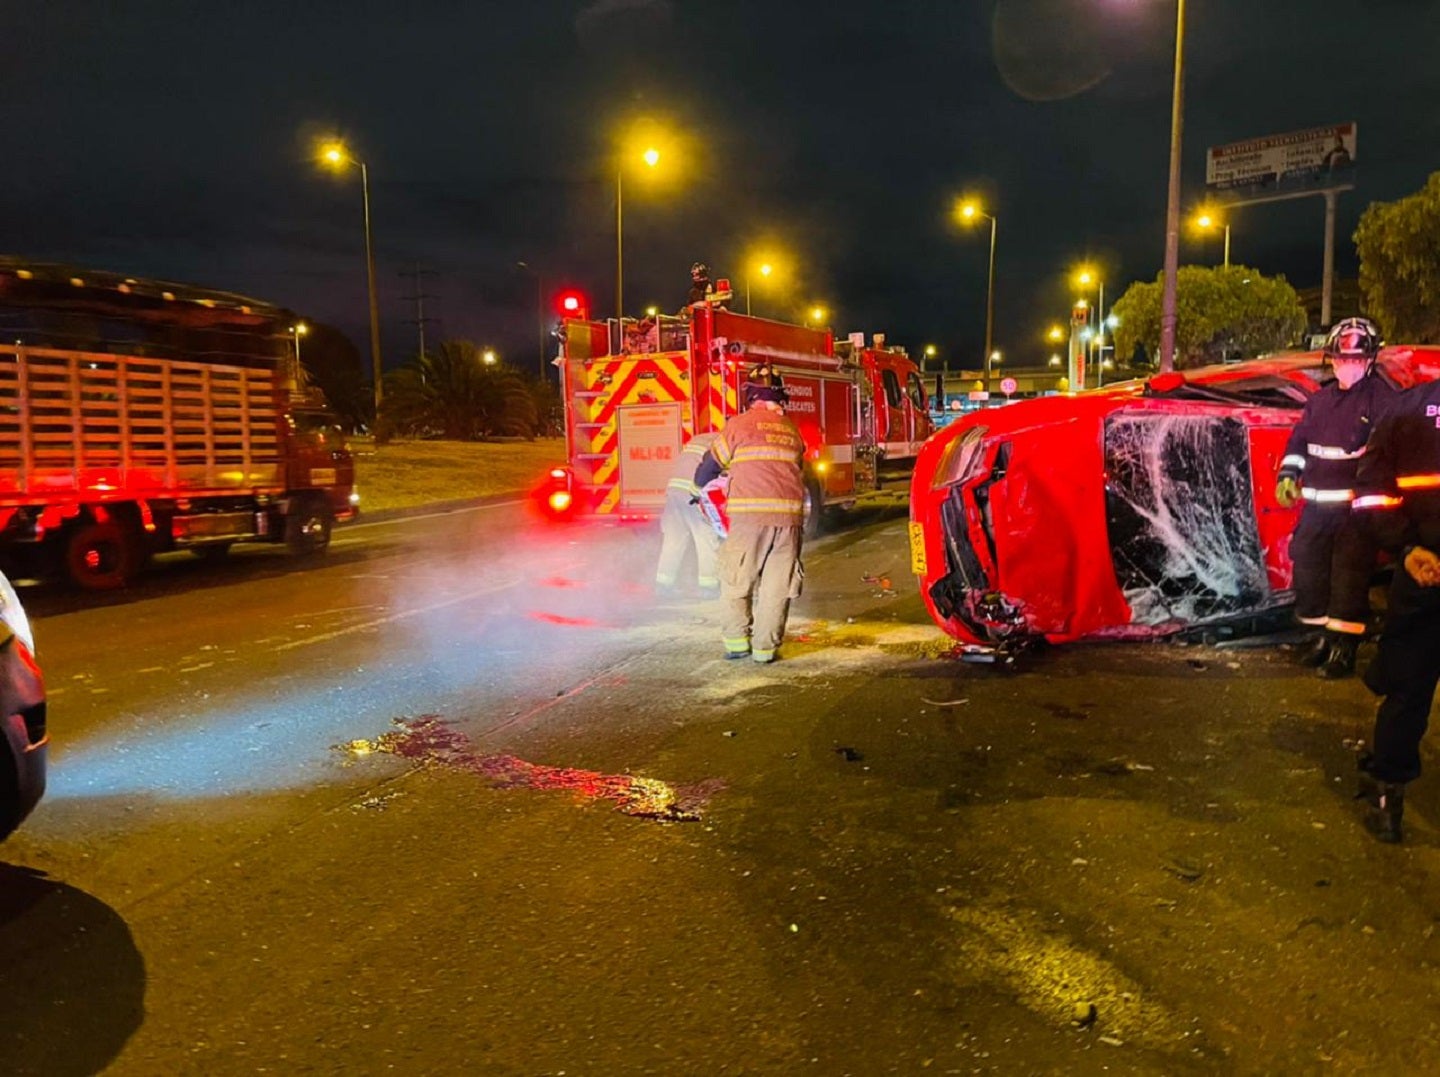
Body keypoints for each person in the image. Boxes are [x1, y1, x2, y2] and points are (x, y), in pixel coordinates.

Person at [1274, 317, 1398, 678]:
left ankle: (1343, 649)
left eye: (1356, 359)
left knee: (1348, 580)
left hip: (1354, 513)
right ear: (1331, 359)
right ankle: (1319, 638)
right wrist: (1288, 475)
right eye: (1343, 359)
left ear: (1370, 360)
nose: (1348, 365)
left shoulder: (1382, 400)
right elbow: (1299, 442)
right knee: (1310, 573)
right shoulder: (1320, 400)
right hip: (1316, 509)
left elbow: (1385, 456)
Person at [1349, 375, 1440, 842]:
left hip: (1424, 571)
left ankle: (1388, 798)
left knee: (1407, 689)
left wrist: (1406, 548)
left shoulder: (1407, 408)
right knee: (1407, 687)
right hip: (1423, 569)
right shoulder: (1407, 408)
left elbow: (1370, 492)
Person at [694, 363, 806, 663]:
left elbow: (710, 466)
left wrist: (698, 487)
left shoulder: (740, 425)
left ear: (751, 397)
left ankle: (736, 643)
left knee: (736, 578)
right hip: (789, 523)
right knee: (777, 587)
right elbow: (798, 469)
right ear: (779, 399)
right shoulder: (791, 430)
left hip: (749, 519)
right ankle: (765, 650)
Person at [654, 431, 722, 598]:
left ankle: (663, 586)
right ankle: (709, 587)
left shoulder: (700, 439)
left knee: (673, 540)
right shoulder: (724, 443)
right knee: (706, 539)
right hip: (693, 493)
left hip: (674, 492)